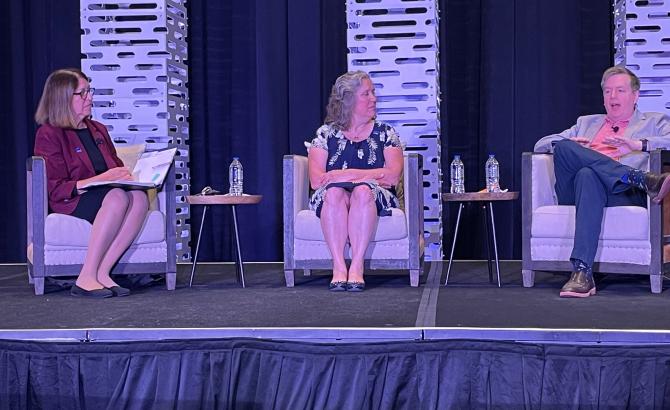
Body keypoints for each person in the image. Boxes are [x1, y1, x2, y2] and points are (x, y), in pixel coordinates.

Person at [534, 65, 670, 298]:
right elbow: (540, 145)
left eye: (620, 90)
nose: (613, 97)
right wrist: (574, 145)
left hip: (622, 194)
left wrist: (639, 145)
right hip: (574, 192)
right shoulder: (586, 123)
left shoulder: (653, 122)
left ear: (635, 95)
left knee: (588, 174)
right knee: (566, 147)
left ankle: (582, 273)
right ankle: (641, 178)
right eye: (607, 91)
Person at [33, 68, 149, 298]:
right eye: (82, 93)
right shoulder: (49, 134)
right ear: (62, 98)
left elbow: (113, 168)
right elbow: (56, 187)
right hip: (71, 198)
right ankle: (86, 276)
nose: (90, 98)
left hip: (105, 194)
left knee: (138, 197)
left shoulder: (98, 129)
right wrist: (101, 180)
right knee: (116, 196)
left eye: (90, 91)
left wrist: (129, 176)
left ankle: (103, 273)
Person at [307, 70, 404, 292]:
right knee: (333, 193)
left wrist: (342, 175)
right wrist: (370, 174)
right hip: (332, 196)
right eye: (366, 94)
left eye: (373, 93)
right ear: (348, 100)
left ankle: (357, 266)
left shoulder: (386, 133)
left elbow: (391, 176)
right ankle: (339, 267)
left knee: (362, 191)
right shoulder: (325, 135)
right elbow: (316, 180)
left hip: (374, 197)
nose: (374, 98)